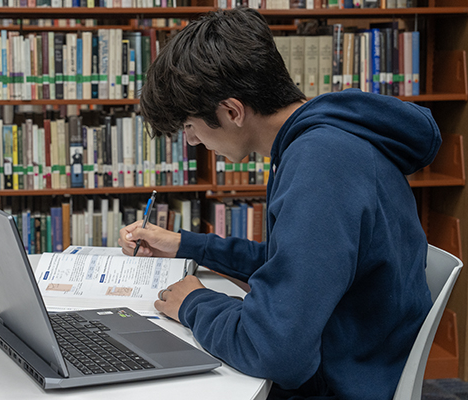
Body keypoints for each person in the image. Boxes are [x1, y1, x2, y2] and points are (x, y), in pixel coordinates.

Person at [118, 7, 441, 400]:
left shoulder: (321, 165)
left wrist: (195, 303)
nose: (191, 141)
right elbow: (291, 266)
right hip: (352, 357)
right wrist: (186, 245)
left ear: (232, 111)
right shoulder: (324, 141)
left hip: (338, 385)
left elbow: (274, 350)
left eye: (188, 126)